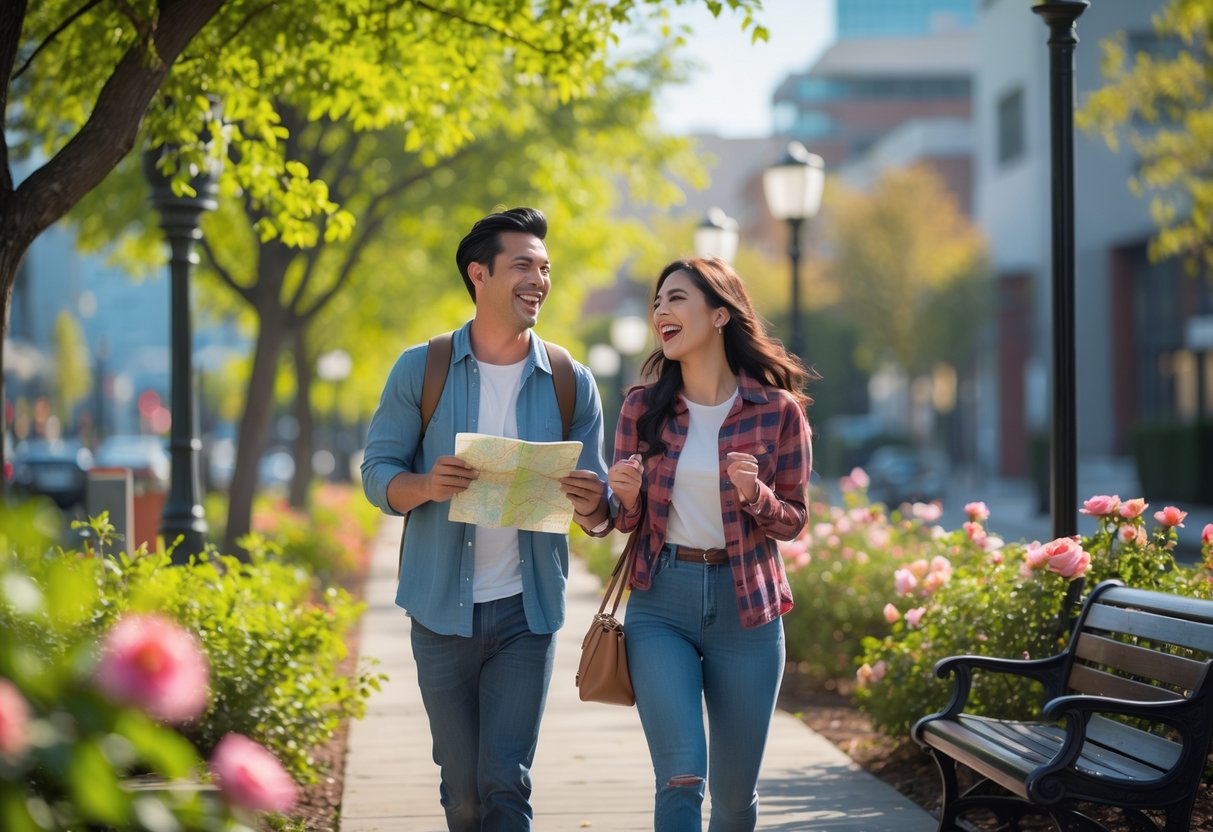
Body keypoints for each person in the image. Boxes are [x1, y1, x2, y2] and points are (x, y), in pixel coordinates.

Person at [361, 207, 611, 831]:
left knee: (505, 783)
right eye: (523, 265)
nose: (539, 279)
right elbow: (375, 474)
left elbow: (602, 504)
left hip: (527, 614)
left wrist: (593, 501)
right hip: (441, 608)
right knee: (463, 791)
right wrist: (424, 484)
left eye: (545, 268)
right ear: (479, 273)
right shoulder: (422, 368)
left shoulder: (569, 381)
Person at [606, 257, 812, 832]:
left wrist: (756, 495)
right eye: (656, 303)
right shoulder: (642, 409)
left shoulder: (777, 412)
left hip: (748, 610)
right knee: (680, 775)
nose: (660, 313)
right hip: (661, 604)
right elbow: (623, 523)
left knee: (734, 796)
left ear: (720, 314)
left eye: (675, 300)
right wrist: (622, 496)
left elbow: (793, 520)